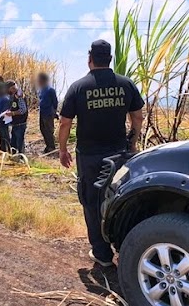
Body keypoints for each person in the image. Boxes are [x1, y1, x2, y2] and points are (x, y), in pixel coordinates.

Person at [58, 40, 144, 267]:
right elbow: (137, 117)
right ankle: (126, 248)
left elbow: (65, 122)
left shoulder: (78, 87)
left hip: (89, 156)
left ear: (90, 59)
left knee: (91, 201)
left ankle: (102, 253)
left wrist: (62, 149)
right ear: (110, 59)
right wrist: (132, 143)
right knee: (122, 198)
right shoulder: (126, 84)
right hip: (119, 154)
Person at [37, 72, 59, 154]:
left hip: (48, 113)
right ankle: (48, 146)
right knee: (43, 130)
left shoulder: (50, 90)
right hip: (42, 113)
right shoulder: (41, 90)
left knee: (49, 130)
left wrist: (54, 112)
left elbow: (55, 102)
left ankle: (51, 147)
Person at [5, 81, 28, 154]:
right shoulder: (13, 95)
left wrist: (12, 113)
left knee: (19, 143)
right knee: (13, 143)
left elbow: (23, 110)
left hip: (20, 124)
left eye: (8, 89)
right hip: (15, 124)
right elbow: (14, 106)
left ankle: (21, 158)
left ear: (12, 88)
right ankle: (13, 157)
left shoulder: (19, 95)